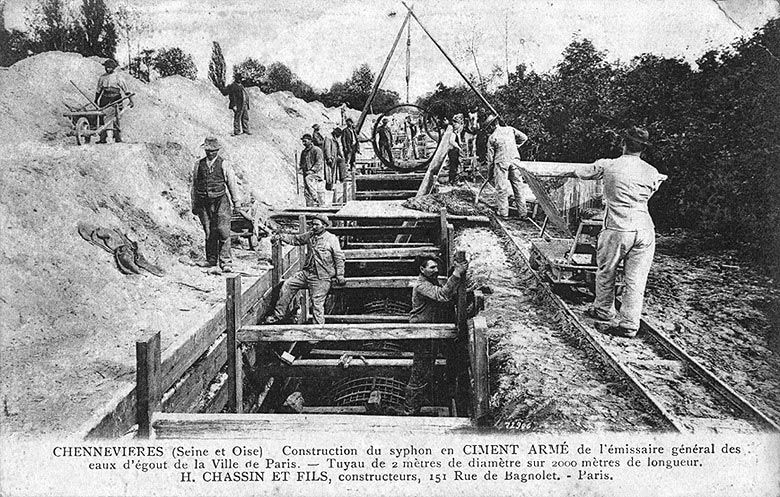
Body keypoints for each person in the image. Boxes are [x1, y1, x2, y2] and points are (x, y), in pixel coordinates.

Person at [564, 126, 667, 338]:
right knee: (636, 279)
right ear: (643, 149)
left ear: (623, 144)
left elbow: (581, 172)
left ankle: (603, 310)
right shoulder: (651, 171)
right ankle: (629, 324)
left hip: (618, 227)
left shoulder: (608, 165)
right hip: (645, 228)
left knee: (607, 270)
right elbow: (654, 187)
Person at [404, 256, 467, 415]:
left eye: (436, 267)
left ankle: (423, 402)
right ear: (422, 269)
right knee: (421, 370)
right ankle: (410, 410)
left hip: (433, 330)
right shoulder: (421, 285)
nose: (436, 270)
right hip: (423, 333)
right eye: (432, 267)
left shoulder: (432, 281)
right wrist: (457, 274)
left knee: (429, 368)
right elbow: (442, 296)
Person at [265, 214, 346, 324]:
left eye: (317, 225)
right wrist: (281, 236)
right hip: (307, 273)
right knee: (288, 285)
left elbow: (339, 257)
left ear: (324, 226)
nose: (313, 227)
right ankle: (278, 315)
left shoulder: (331, 239)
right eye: (312, 224)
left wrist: (340, 275)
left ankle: (317, 333)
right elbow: (296, 239)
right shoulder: (310, 235)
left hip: (321, 277)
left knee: (317, 305)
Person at [190, 137, 241, 273]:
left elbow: (232, 183)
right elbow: (194, 185)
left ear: (217, 150)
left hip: (221, 201)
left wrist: (236, 203)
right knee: (208, 231)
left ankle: (226, 262)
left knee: (223, 230)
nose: (210, 153)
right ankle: (211, 259)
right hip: (203, 202)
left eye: (213, 151)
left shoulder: (224, 164)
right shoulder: (198, 165)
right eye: (208, 150)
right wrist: (194, 203)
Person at [485, 115, 530, 219]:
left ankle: (503, 212)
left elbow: (490, 160)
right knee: (518, 186)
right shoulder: (510, 129)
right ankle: (523, 213)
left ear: (492, 126)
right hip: (515, 160)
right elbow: (524, 138)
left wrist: (489, 174)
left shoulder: (492, 137)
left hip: (501, 162)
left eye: (489, 128)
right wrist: (516, 146)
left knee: (501, 187)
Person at [95, 59, 133, 143]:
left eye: (110, 68)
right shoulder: (102, 77)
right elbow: (98, 90)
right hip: (105, 98)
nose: (108, 69)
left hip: (116, 98)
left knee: (117, 117)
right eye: (107, 67)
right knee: (102, 117)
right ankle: (102, 138)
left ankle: (117, 137)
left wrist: (130, 100)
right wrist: (96, 100)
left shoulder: (118, 76)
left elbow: (125, 89)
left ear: (114, 68)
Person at [299, 133, 325, 207]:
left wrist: (312, 170)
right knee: (307, 191)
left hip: (317, 174)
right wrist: (301, 168)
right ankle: (309, 208)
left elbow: (319, 162)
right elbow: (302, 162)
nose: (303, 143)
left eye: (305, 141)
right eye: (303, 141)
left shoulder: (317, 150)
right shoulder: (304, 152)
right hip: (306, 173)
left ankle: (321, 207)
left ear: (310, 141)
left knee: (318, 191)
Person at [329, 127, 347, 204]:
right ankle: (330, 185)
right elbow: (327, 148)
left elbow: (339, 149)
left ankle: (343, 177)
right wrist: (328, 157)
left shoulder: (335, 139)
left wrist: (342, 156)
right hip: (331, 157)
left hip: (335, 156)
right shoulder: (329, 138)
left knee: (342, 161)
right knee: (330, 172)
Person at [448, 114, 464, 185]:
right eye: (458, 124)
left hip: (454, 151)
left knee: (455, 166)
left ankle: (453, 180)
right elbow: (451, 141)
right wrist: (458, 146)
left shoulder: (456, 132)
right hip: (453, 151)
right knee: (454, 166)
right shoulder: (453, 133)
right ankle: (454, 181)